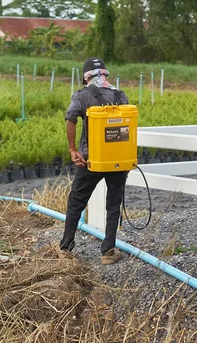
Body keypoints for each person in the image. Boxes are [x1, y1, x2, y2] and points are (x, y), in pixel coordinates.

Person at [59, 57, 129, 265]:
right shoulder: (120, 95)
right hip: (116, 161)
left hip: (91, 160)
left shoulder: (82, 95)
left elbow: (71, 118)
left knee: (77, 202)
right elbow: (126, 128)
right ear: (106, 74)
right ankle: (108, 251)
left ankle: (66, 248)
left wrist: (72, 149)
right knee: (113, 205)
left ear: (86, 76)